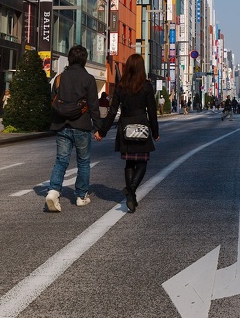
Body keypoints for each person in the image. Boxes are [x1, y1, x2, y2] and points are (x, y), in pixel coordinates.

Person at [95, 53, 159, 213]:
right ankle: (130, 191)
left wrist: (102, 131)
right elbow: (152, 111)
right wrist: (155, 132)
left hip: (125, 126)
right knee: (142, 163)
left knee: (129, 163)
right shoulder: (146, 86)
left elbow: (112, 111)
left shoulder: (121, 86)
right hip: (142, 126)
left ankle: (130, 193)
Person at [45, 45, 103, 213]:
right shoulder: (88, 79)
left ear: (69, 59)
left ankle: (54, 191)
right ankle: (81, 196)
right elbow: (93, 105)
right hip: (81, 125)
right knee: (83, 162)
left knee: (61, 160)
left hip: (62, 124)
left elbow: (52, 100)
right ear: (84, 60)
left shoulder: (60, 78)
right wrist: (98, 128)